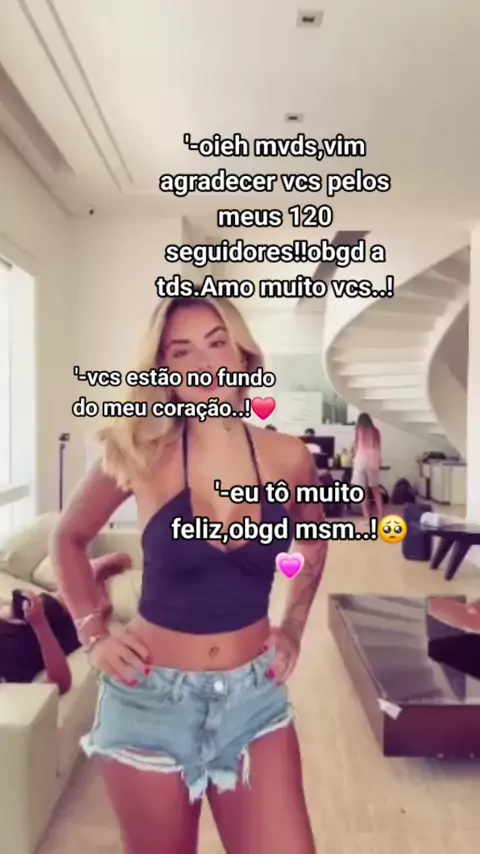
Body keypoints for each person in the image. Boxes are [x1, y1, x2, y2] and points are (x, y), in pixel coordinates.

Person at [50, 295, 328, 854]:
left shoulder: (288, 457)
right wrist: (93, 634)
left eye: (217, 343)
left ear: (242, 354)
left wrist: (295, 625)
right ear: (165, 371)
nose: (204, 364)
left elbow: (313, 539)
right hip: (150, 700)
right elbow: (68, 538)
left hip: (255, 701)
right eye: (182, 352)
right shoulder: (141, 454)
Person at [0, 552, 131, 692]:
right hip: (47, 643)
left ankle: (88, 573)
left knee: (49, 605)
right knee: (97, 613)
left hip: (24, 621)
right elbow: (61, 683)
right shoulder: (9, 673)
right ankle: (93, 581)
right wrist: (40, 623)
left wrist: (16, 610)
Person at [351, 412, 383, 521]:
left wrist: (353, 457)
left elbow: (355, 447)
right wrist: (379, 460)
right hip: (373, 460)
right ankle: (380, 515)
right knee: (375, 489)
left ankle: (367, 517)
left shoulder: (357, 431)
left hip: (360, 460)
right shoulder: (376, 431)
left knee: (363, 490)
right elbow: (379, 447)